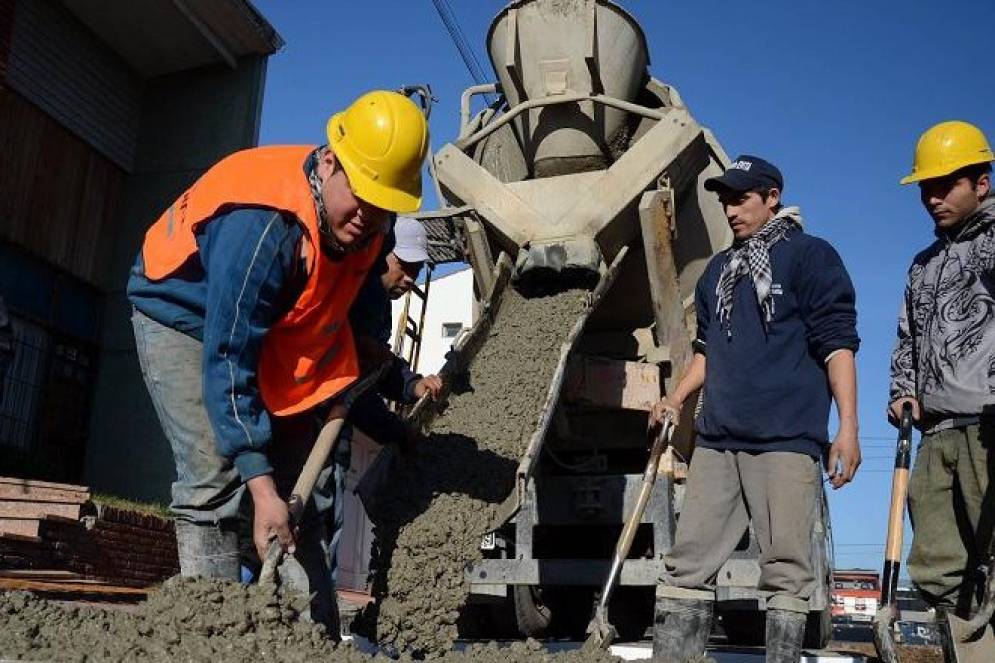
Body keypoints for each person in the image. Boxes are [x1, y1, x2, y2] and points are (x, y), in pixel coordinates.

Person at [126, 89, 428, 634]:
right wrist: (260, 488)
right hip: (184, 311)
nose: (368, 216)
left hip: (273, 327)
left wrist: (378, 364)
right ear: (330, 161)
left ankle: (311, 639)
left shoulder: (369, 226)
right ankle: (216, 636)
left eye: (384, 204)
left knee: (300, 495)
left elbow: (353, 311)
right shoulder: (263, 224)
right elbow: (229, 357)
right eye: (361, 195)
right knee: (216, 477)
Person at [648, 155, 861, 663]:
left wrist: (848, 427)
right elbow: (706, 352)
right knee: (685, 565)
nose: (730, 210)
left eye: (741, 198)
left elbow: (837, 345)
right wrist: (675, 397)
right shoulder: (718, 271)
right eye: (725, 200)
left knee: (786, 571)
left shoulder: (810, 257)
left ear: (772, 198)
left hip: (785, 441)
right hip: (719, 440)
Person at [888, 120, 994, 630]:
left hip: (988, 425)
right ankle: (962, 647)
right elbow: (907, 336)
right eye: (926, 187)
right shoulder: (923, 265)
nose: (933, 198)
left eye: (946, 185)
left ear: (981, 184)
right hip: (935, 431)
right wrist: (902, 390)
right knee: (938, 562)